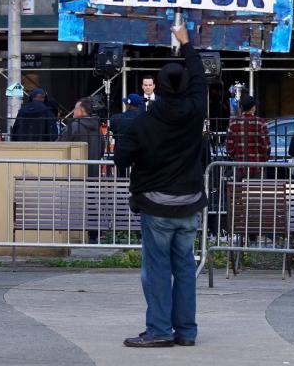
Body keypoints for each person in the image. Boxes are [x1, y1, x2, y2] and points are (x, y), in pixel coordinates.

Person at [113, 19, 207, 348]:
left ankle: (159, 330)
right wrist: (187, 44)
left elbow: (121, 160)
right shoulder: (197, 110)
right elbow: (199, 78)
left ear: (159, 88)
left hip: (156, 202)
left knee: (157, 270)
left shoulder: (144, 122)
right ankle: (186, 331)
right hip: (190, 200)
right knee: (184, 268)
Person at [226, 95, 269, 175]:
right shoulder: (260, 122)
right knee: (258, 187)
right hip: (257, 167)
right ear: (253, 108)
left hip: (239, 166)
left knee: (238, 187)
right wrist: (263, 158)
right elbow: (266, 146)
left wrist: (236, 157)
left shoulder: (233, 123)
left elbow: (229, 147)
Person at [65, 98, 104, 163]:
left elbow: (59, 147)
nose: (73, 111)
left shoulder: (72, 127)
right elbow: (101, 151)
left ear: (81, 111)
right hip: (94, 169)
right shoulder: (98, 129)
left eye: (75, 108)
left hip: (75, 170)